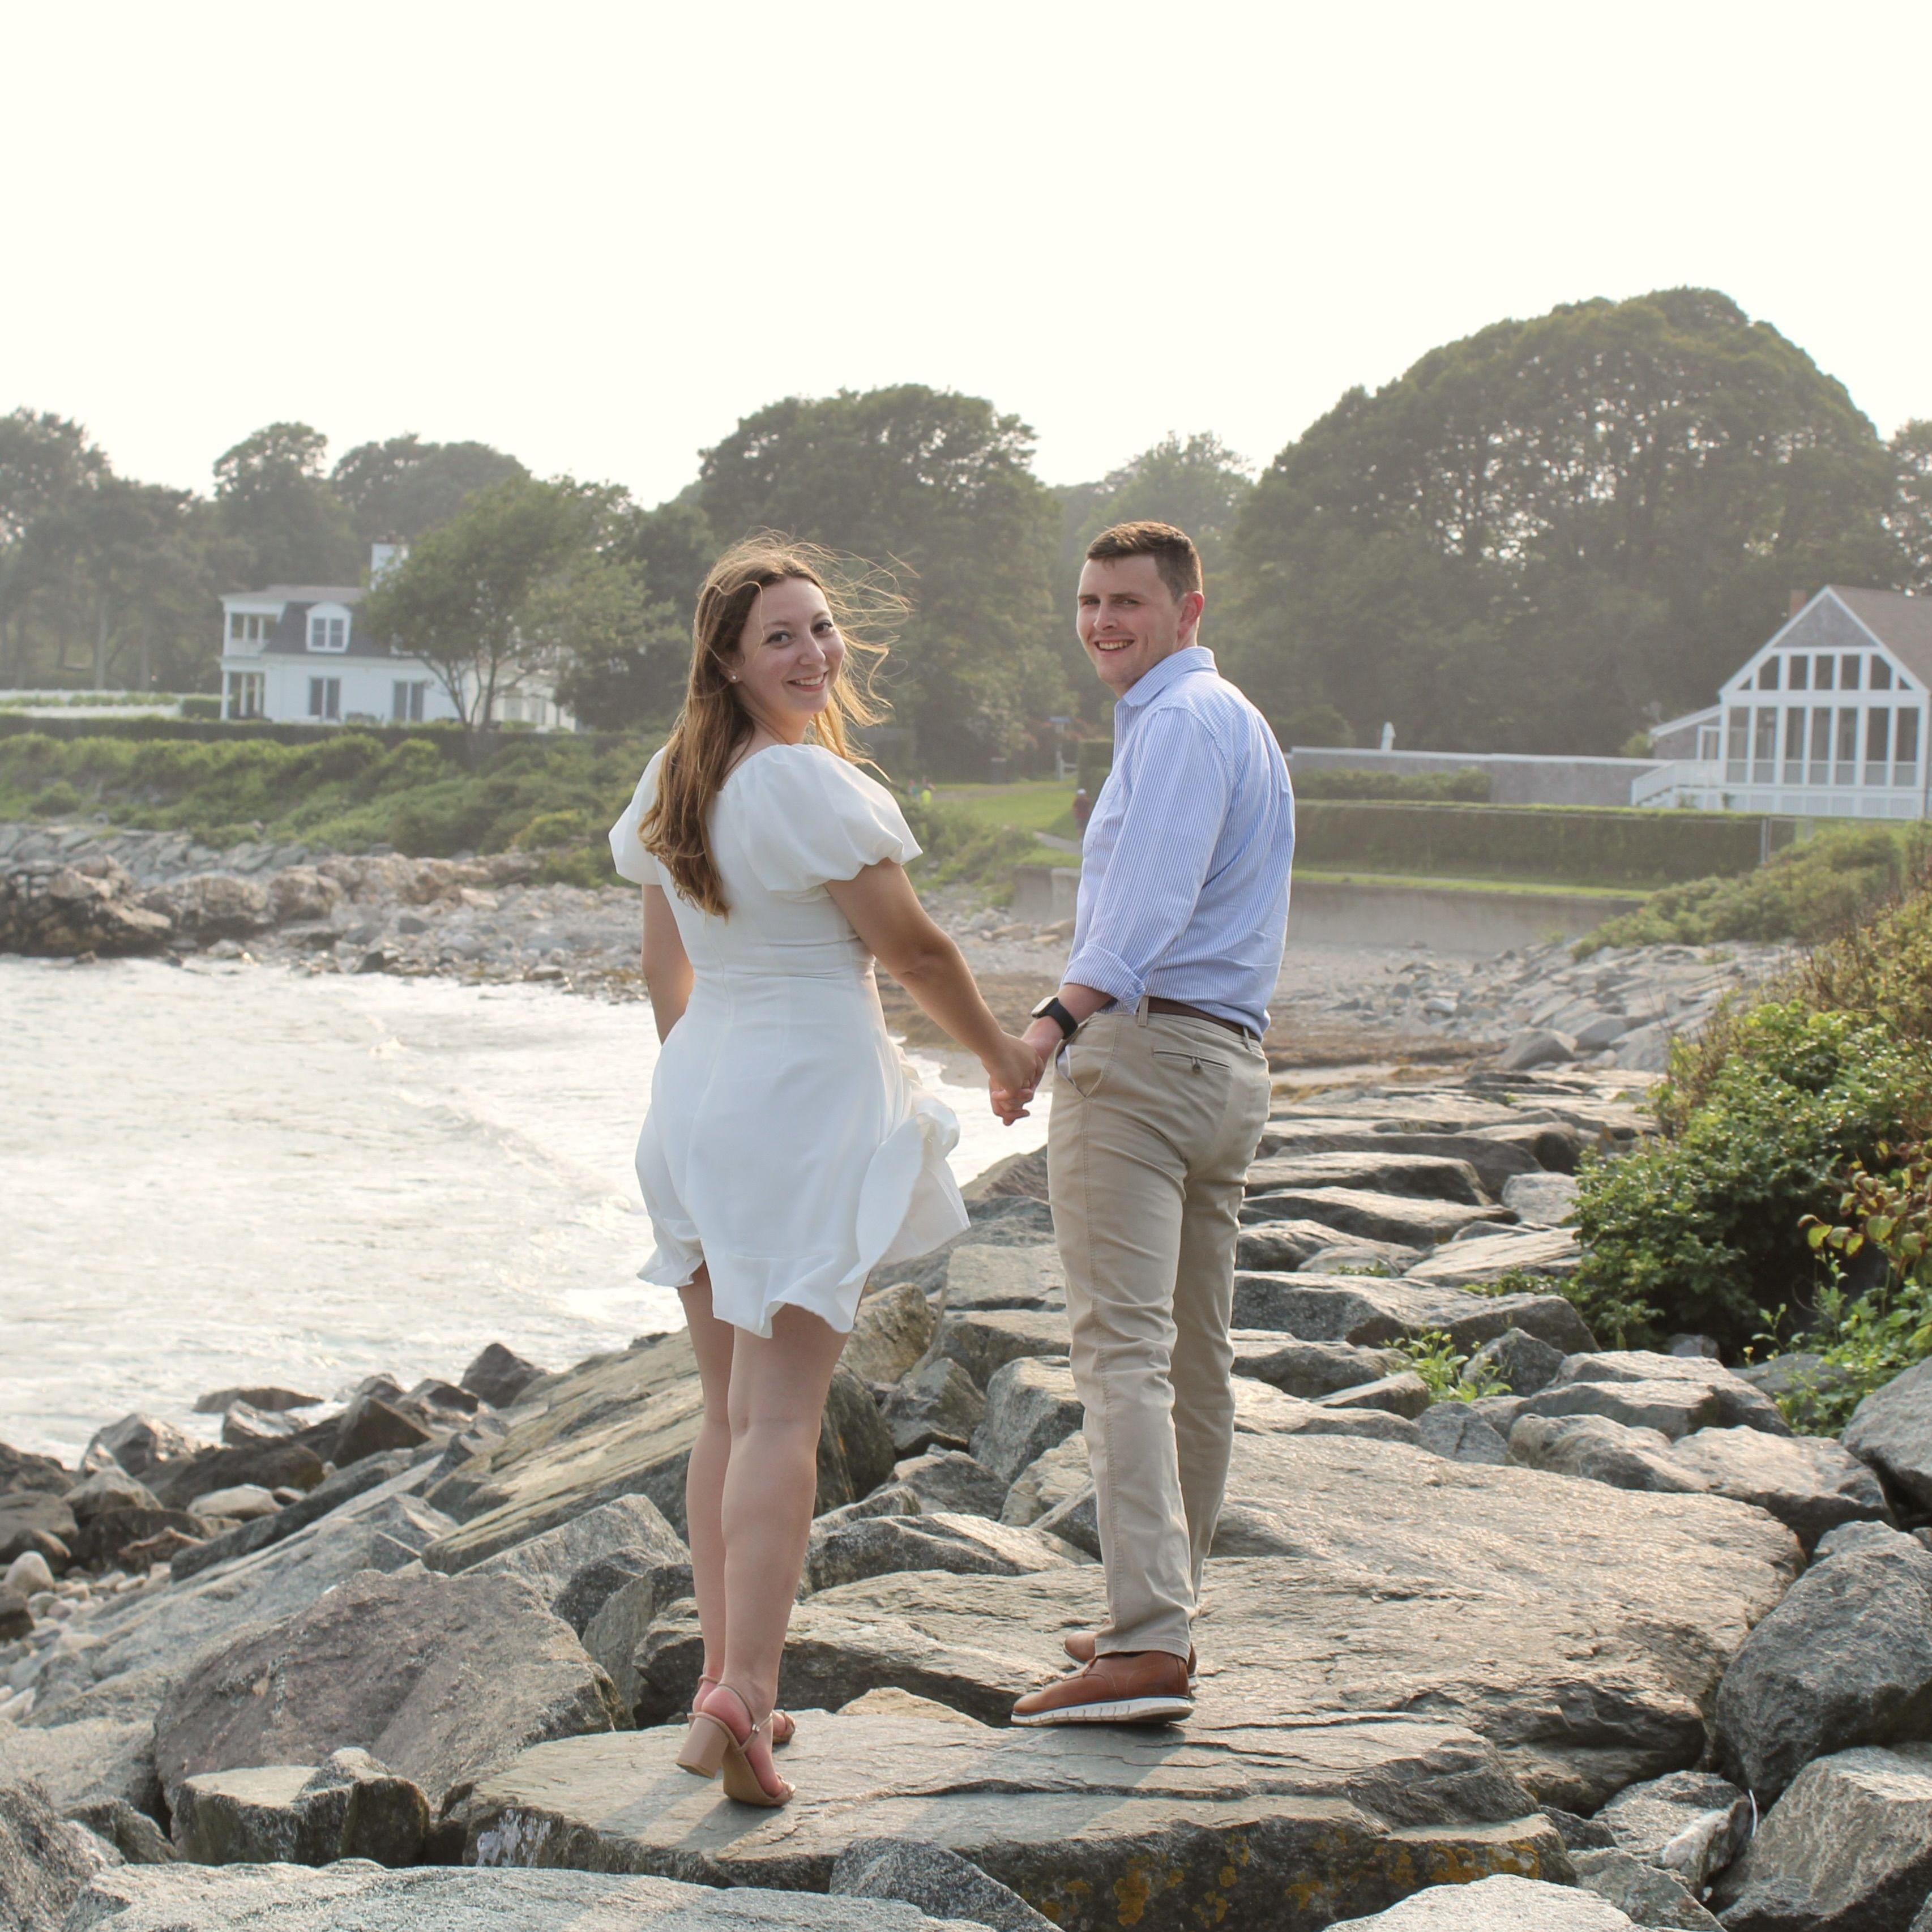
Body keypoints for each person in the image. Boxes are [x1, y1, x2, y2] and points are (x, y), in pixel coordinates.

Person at [608, 538, 1041, 1806]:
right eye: (781, 636)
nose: (812, 653)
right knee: (782, 1411)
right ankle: (744, 1686)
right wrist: (1002, 1056)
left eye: (821, 626)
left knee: (731, 1407)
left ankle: (725, 1689)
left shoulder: (674, 777)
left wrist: (704, 1088)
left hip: (700, 1094)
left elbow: (662, 972)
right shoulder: (805, 785)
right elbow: (910, 948)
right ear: (730, 660)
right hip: (797, 1093)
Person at [1006, 520, 1294, 1726]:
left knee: (1120, 1351)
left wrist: (1050, 1021)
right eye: (1086, 601)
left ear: (1186, 606)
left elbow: (1148, 894)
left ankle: (1143, 1640)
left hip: (1141, 1052)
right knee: (1190, 1355)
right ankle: (1159, 1607)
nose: (1100, 621)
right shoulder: (1234, 719)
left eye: (1125, 600)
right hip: (1224, 1062)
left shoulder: (1176, 723)